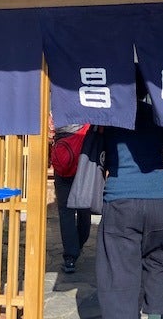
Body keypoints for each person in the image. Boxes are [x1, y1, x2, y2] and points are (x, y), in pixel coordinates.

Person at [96, 67, 163, 319]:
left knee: (119, 270)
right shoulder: (162, 116)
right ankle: (154, 313)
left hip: (120, 202)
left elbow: (96, 158)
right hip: (160, 201)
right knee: (159, 261)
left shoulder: (108, 118)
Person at [49, 116, 92, 274]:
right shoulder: (85, 108)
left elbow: (50, 128)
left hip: (63, 157)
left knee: (65, 212)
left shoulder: (58, 107)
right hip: (83, 158)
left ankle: (70, 258)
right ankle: (78, 245)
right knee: (84, 207)